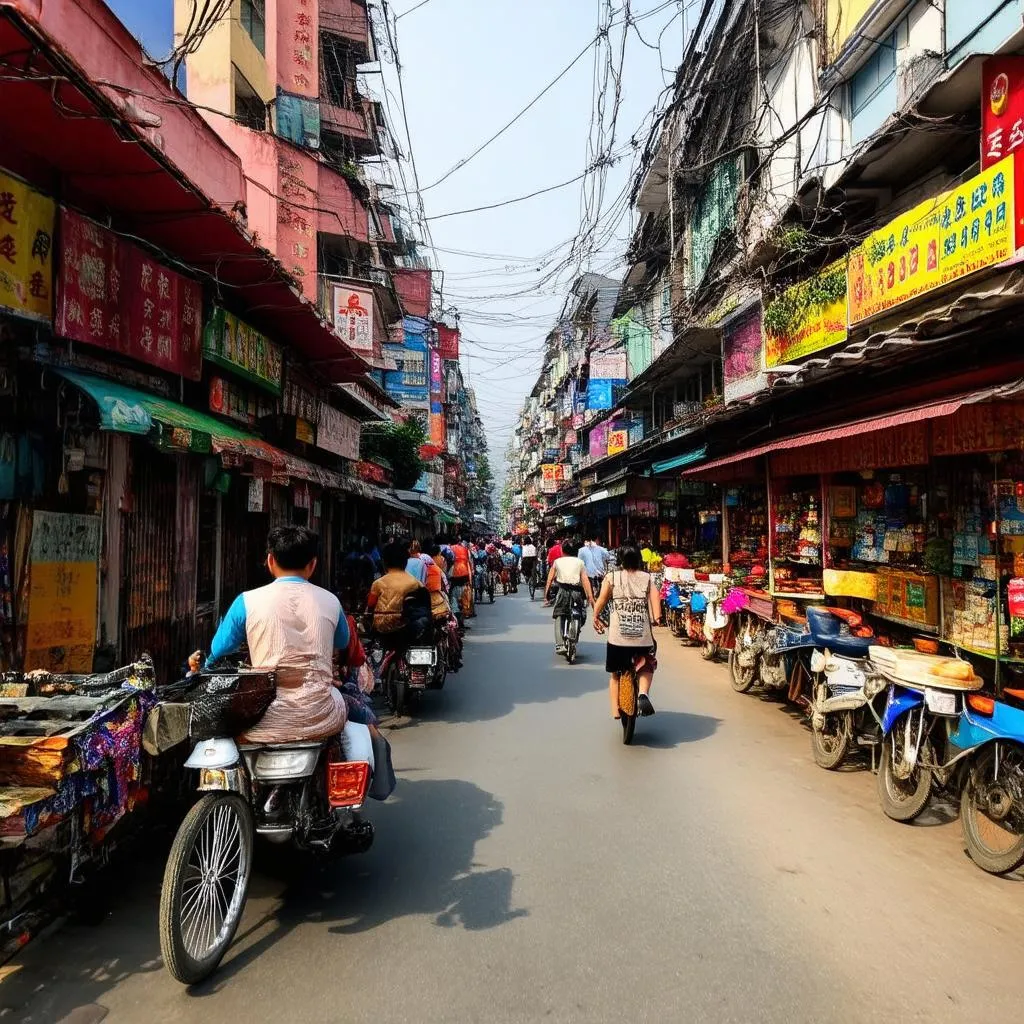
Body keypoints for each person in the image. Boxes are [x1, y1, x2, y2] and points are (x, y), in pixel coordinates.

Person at [200, 525, 349, 744]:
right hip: (322, 717)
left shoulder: (247, 601)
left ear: (270, 561)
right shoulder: (331, 601)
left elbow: (218, 650)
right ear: (313, 565)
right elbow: (342, 641)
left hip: (261, 719)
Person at [593, 538, 661, 719]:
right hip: (642, 637)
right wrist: (656, 618)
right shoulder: (647, 578)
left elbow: (601, 600)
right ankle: (643, 693)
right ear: (638, 559)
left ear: (620, 560)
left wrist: (595, 616)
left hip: (618, 638)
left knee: (615, 674)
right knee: (647, 665)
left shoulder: (612, 577)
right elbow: (655, 599)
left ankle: (615, 710)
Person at [367, 540, 431, 646]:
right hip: (407, 629)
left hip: (381, 629)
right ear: (405, 561)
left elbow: (370, 605)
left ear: (385, 562)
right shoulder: (416, 583)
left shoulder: (378, 583)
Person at [543, 536, 595, 655]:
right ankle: (576, 631)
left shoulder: (557, 562)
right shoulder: (580, 562)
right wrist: (591, 598)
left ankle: (560, 644)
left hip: (563, 591)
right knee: (581, 613)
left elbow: (550, 579)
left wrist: (546, 595)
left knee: (558, 615)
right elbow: (585, 581)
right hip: (577, 592)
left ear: (563, 551)